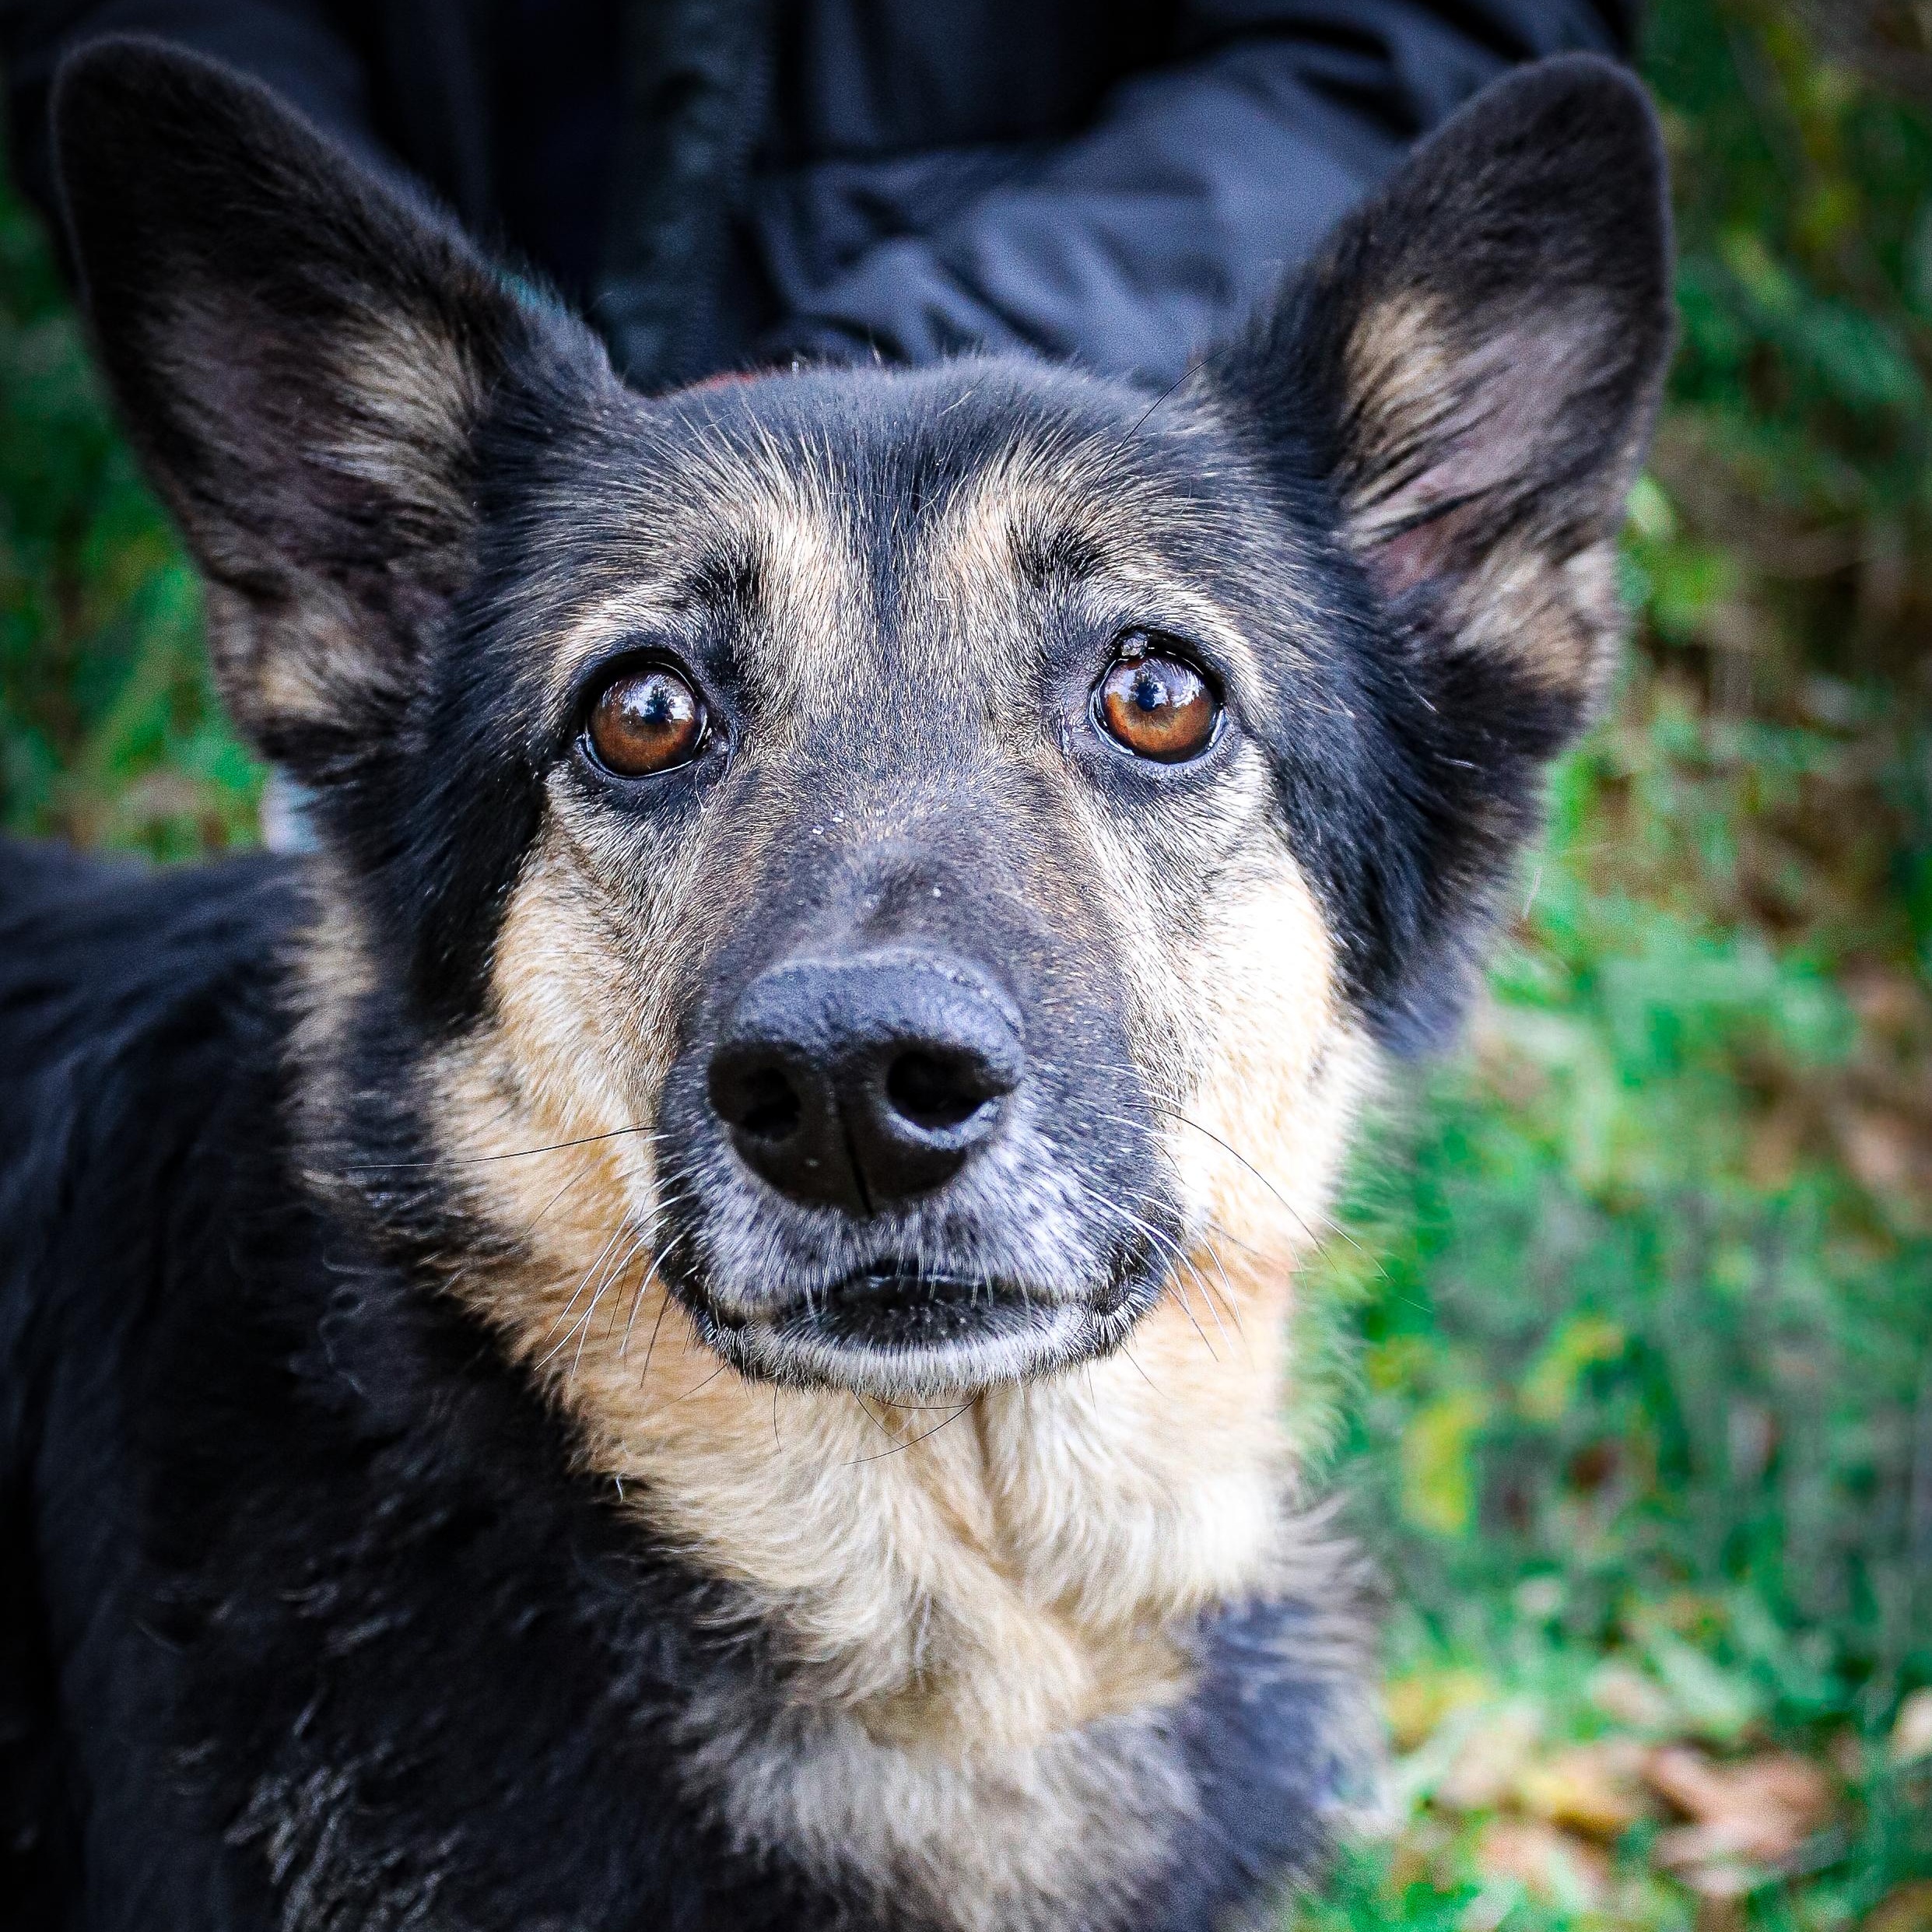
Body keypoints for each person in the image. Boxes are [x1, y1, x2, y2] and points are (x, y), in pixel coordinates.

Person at [2, 1, 1633, 398]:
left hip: (1058, 444)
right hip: (460, 584)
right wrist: (418, 409)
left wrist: (856, 398)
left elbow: (1426, 41)